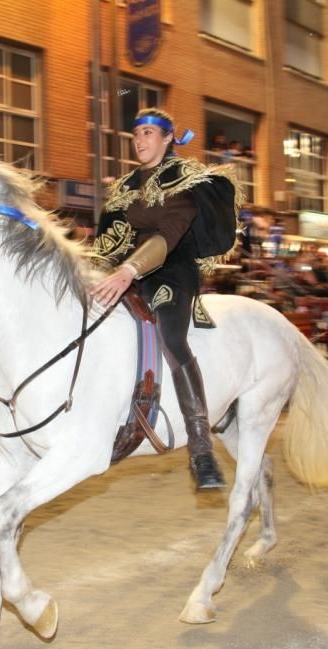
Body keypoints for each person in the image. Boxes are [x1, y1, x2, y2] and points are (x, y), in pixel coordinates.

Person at [90, 107, 238, 491]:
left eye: (149, 133)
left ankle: (202, 447)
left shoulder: (184, 179)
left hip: (171, 268)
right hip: (127, 271)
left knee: (172, 338)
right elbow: (108, 243)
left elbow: (168, 234)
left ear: (168, 138)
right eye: (136, 133)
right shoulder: (124, 187)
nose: (140, 140)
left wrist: (128, 271)